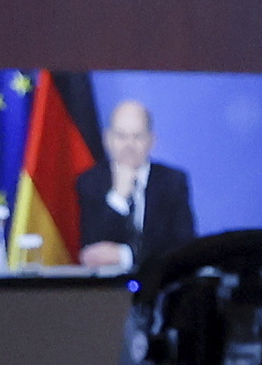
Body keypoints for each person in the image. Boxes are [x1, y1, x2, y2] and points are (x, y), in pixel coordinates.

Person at [74, 92, 197, 280]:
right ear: (107, 140)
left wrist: (126, 256)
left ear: (151, 141)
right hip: (104, 291)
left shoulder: (172, 182)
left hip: (159, 283)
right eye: (121, 136)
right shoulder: (89, 182)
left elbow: (184, 245)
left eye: (137, 136)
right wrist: (118, 198)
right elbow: (92, 250)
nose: (129, 145)